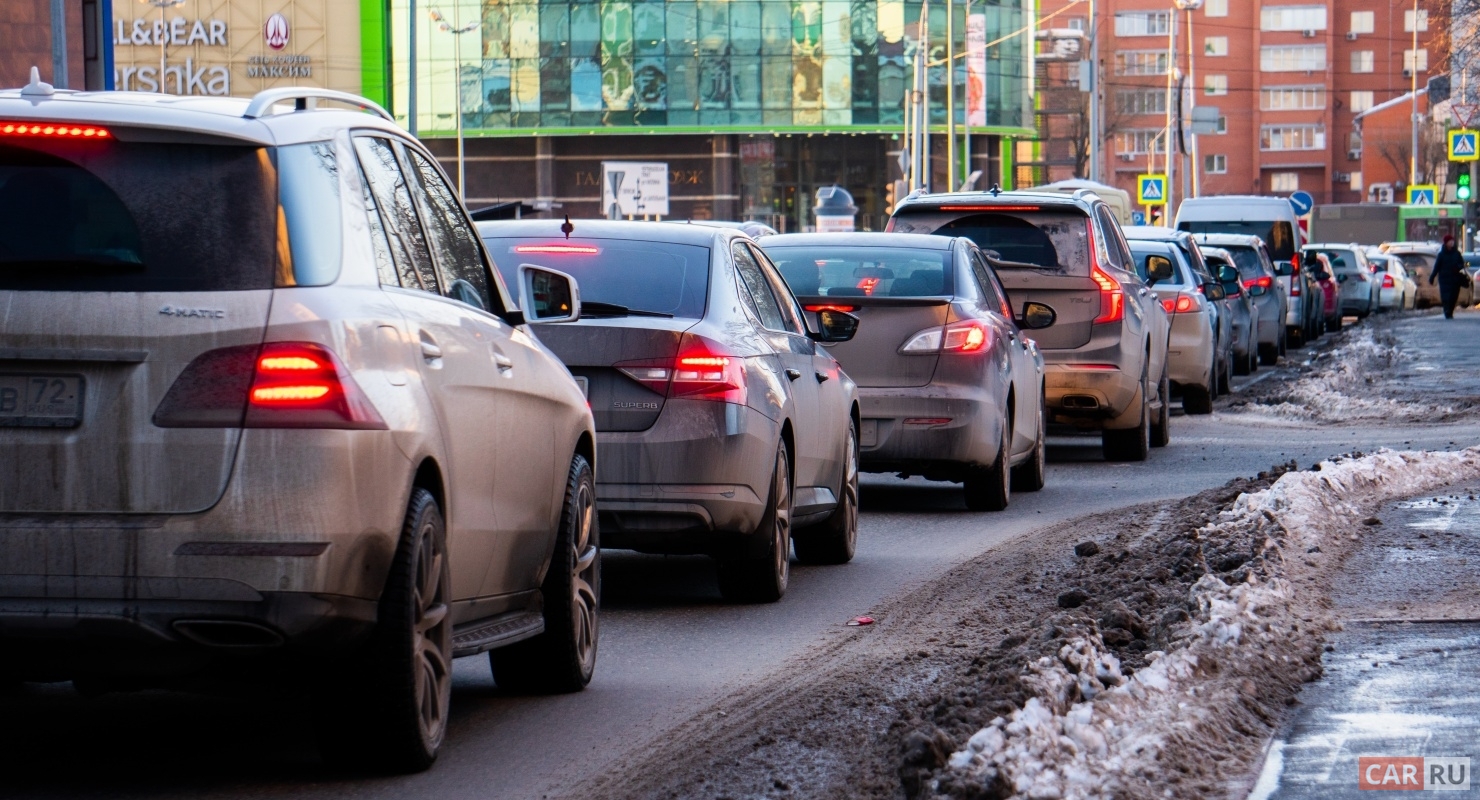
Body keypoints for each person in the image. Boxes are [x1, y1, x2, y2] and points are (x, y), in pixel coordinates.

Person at [1429, 235, 1468, 319]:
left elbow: (1462, 264)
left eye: (1452, 241)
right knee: (1445, 296)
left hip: (1455, 279)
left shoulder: (1457, 253)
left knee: (1453, 296)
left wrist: (1459, 267)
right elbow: (1437, 267)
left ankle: (1450, 310)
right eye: (1450, 241)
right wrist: (1432, 277)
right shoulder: (1441, 255)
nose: (1452, 242)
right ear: (1446, 243)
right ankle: (1447, 311)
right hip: (1444, 279)